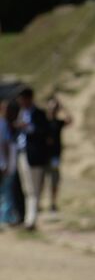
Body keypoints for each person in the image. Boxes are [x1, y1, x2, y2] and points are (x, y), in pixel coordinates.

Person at [14, 87, 51, 231]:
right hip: (21, 153)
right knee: (26, 189)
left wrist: (29, 127)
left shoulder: (39, 114)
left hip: (34, 156)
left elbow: (44, 132)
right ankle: (27, 218)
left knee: (34, 189)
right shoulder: (21, 113)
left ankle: (31, 220)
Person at [44, 96, 72, 216]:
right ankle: (38, 204)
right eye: (52, 107)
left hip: (55, 157)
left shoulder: (58, 122)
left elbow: (70, 120)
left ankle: (53, 203)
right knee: (40, 181)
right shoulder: (43, 122)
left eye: (55, 108)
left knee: (54, 180)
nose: (53, 110)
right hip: (43, 156)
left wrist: (63, 108)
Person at [0, 100, 18, 228]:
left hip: (3, 163)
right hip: (4, 163)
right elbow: (5, 145)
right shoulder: (3, 124)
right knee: (7, 190)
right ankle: (5, 217)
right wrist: (6, 162)